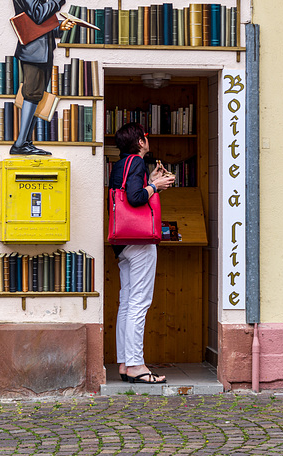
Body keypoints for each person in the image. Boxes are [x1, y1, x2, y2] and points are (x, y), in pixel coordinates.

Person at [109, 122, 175, 384]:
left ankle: (126, 363)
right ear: (139, 141)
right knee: (139, 302)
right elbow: (136, 198)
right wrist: (156, 186)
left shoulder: (120, 164)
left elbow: (128, 193)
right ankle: (136, 365)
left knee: (127, 303)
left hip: (123, 243)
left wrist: (151, 180)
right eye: (145, 136)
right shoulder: (136, 163)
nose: (148, 140)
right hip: (139, 241)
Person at [10, 0, 75, 156]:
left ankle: (25, 142)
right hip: (33, 51)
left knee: (35, 95)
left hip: (42, 49)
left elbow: (37, 20)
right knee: (31, 94)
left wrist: (58, 29)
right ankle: (20, 144)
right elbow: (37, 14)